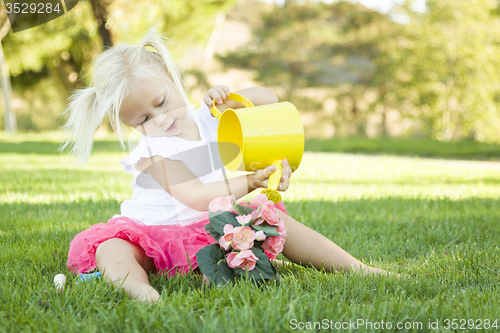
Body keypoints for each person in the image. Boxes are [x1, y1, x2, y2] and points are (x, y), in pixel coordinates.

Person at [60, 26, 395, 304]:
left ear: (170, 76)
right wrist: (249, 183)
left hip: (207, 229)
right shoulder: (151, 152)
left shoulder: (211, 117)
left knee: (272, 219)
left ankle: (359, 268)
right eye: (143, 119)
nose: (160, 119)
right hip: (149, 236)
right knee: (112, 250)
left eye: (161, 102)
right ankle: (142, 292)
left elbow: (269, 99)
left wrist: (232, 97)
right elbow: (194, 195)